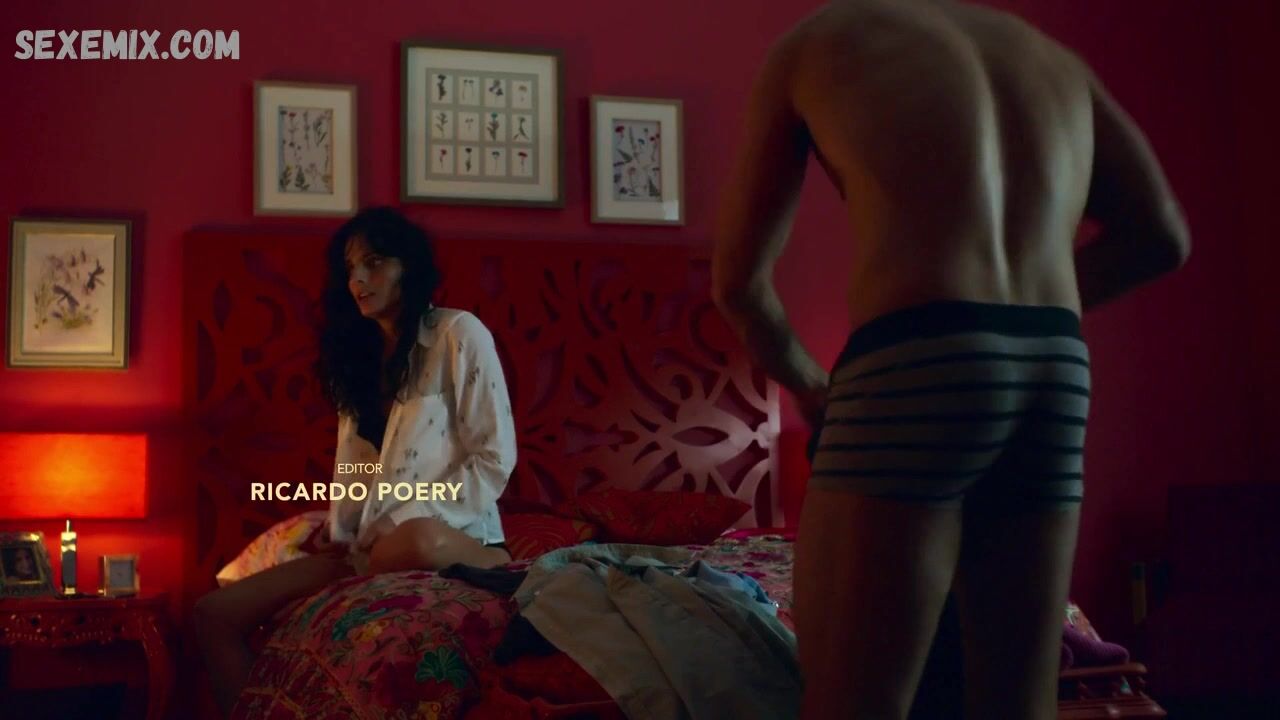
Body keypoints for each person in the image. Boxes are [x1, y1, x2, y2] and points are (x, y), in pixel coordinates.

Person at [711, 1, 1190, 718]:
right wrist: (1007, 321)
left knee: (854, 701)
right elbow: (1162, 238)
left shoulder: (814, 45)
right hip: (1054, 365)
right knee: (1018, 700)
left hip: (915, 352)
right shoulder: (1049, 56)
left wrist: (814, 387)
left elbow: (741, 288)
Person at [195, 206, 517, 715]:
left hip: (447, 532)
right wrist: (341, 527)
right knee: (213, 615)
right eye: (350, 269)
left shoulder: (458, 333)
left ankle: (499, 564)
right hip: (369, 550)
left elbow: (493, 457)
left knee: (416, 537)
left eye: (374, 262)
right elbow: (359, 467)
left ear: (408, 266)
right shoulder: (358, 358)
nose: (358, 280)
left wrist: (405, 518)